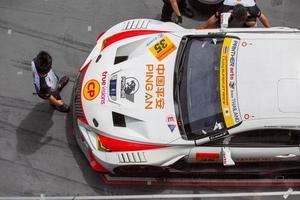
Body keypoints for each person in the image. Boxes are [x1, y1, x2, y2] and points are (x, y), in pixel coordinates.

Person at [201, 0, 270, 28]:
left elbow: (262, 17)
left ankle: (247, 24)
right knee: (221, 19)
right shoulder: (226, 7)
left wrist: (269, 28)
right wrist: (202, 28)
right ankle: (226, 20)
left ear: (247, 13)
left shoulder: (252, 7)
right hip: (229, 8)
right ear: (231, 12)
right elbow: (213, 19)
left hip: (247, 7)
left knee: (251, 23)